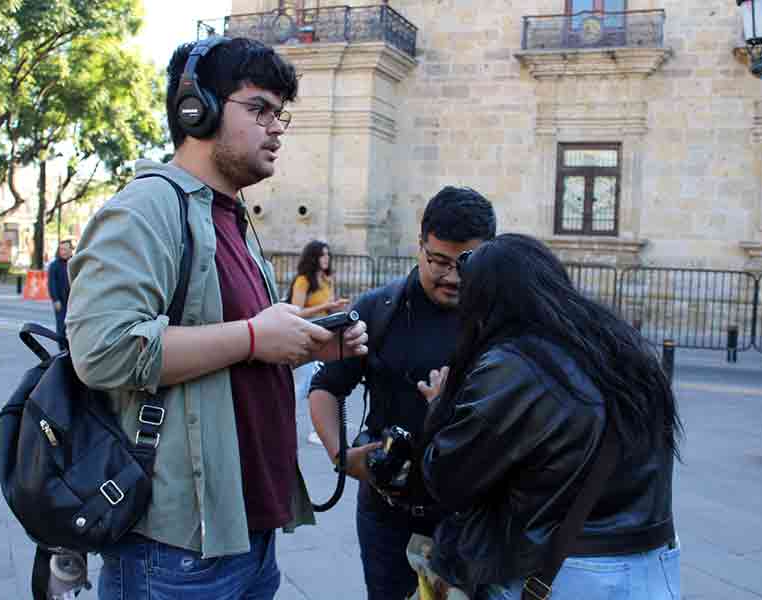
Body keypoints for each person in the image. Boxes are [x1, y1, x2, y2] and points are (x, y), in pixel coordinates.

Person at [65, 36, 368, 600]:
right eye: (259, 109)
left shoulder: (227, 215)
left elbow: (232, 347)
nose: (276, 127)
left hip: (244, 532)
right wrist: (255, 335)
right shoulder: (148, 207)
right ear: (194, 108)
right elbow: (101, 350)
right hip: (174, 549)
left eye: (281, 113)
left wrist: (305, 341)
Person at [416, 234, 683, 600]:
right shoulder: (620, 348)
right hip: (654, 566)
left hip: (570, 575)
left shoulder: (514, 366)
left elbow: (447, 477)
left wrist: (439, 404)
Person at [308, 187, 496, 600]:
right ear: (420, 246)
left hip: (475, 522)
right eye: (439, 261)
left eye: (466, 264)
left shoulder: (502, 319)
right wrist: (341, 454)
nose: (452, 277)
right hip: (388, 517)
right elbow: (323, 387)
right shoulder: (379, 309)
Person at [288, 240, 349, 445]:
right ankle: (284, 421)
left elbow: (328, 308)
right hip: (305, 334)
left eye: (328, 255)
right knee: (302, 385)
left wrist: (337, 308)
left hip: (324, 335)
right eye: (323, 255)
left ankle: (318, 430)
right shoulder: (303, 280)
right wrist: (325, 305)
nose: (326, 259)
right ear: (314, 257)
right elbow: (297, 311)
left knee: (322, 382)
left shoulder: (326, 279)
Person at [47, 240, 72, 348]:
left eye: (66, 249)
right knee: (61, 327)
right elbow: (51, 284)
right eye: (61, 249)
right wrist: (55, 299)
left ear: (71, 250)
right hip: (61, 302)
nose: (63, 252)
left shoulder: (75, 262)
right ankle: (62, 350)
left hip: (74, 300)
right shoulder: (54, 265)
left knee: (73, 327)